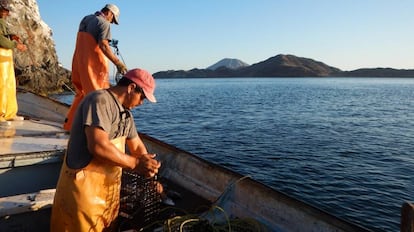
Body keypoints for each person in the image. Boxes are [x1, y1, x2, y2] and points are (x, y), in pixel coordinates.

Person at [51, 68, 160, 231]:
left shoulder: (126, 115)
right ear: (131, 88)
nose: (142, 102)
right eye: (142, 96)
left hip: (108, 194)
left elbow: (137, 146)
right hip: (82, 195)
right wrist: (136, 163)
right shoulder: (99, 100)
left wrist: (151, 172)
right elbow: (98, 146)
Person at [63, 3, 128, 131]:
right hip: (93, 66)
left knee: (81, 94)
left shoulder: (86, 18)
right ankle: (96, 131)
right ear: (109, 13)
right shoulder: (104, 23)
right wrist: (118, 63)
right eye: (113, 19)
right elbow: (103, 46)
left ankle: (70, 126)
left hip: (78, 63)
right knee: (98, 97)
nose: (112, 22)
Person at [0, 1, 27, 126]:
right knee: (1, 86)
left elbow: (4, 36)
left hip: (6, 58)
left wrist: (11, 36)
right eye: (4, 9)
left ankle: (10, 113)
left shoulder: (2, 22)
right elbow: (1, 40)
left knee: (10, 85)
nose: (6, 12)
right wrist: (17, 45)